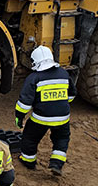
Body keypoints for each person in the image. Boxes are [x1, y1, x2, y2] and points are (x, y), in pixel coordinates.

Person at [15, 45, 76, 176]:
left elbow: (25, 102)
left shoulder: (34, 78)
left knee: (30, 138)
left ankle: (28, 161)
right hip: (63, 118)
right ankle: (56, 163)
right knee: (62, 139)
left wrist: (19, 117)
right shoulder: (64, 73)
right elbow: (71, 94)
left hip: (40, 118)